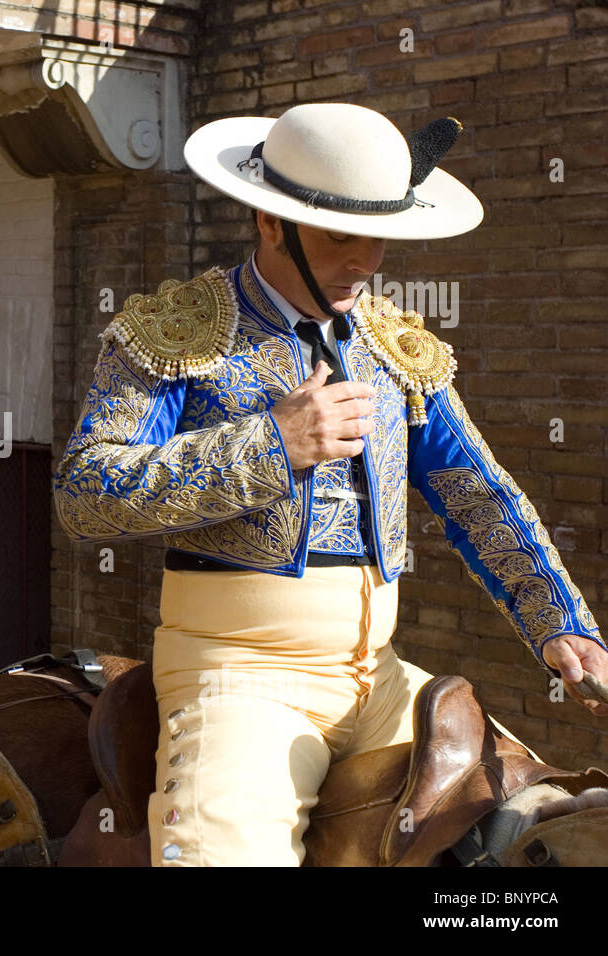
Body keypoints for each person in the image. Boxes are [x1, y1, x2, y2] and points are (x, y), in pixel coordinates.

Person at [52, 103, 608, 866]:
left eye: (382, 233)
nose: (369, 260)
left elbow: (479, 492)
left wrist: (562, 624)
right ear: (270, 222)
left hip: (382, 679)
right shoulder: (173, 333)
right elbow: (86, 493)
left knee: (547, 828)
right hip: (239, 678)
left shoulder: (394, 346)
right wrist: (272, 442)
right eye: (342, 234)